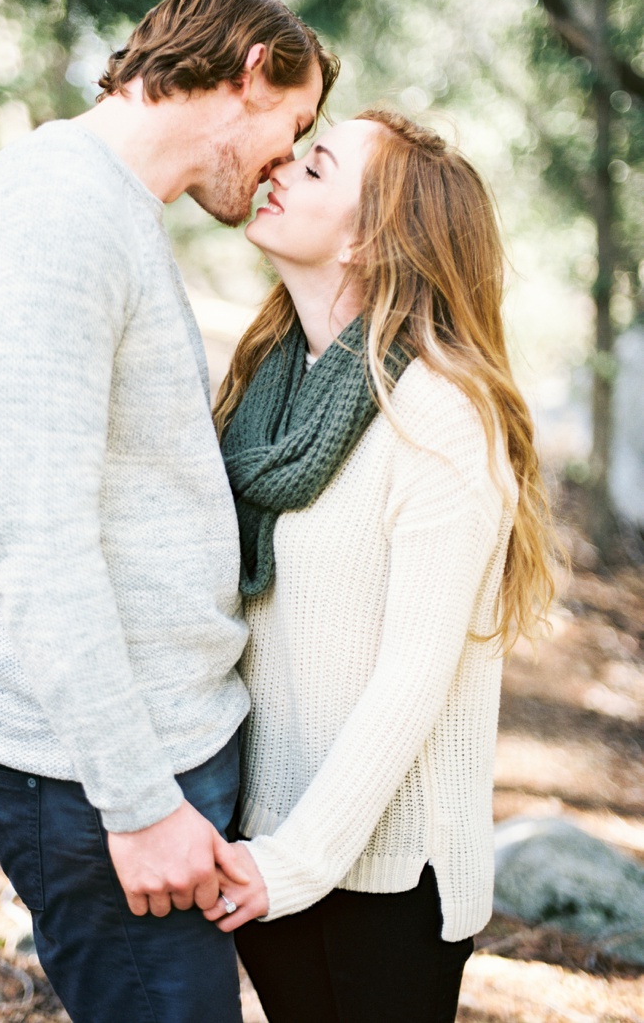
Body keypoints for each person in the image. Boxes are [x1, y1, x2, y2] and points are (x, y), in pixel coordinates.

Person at [0, 0, 338, 1023]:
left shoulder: (108, 205)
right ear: (252, 73)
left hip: (140, 750)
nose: (285, 161)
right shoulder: (57, 218)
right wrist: (139, 801)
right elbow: (35, 543)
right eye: (294, 125)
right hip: (90, 775)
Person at [204, 109, 557, 1022]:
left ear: (367, 240)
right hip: (268, 841)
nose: (279, 169)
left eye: (315, 167)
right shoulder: (266, 388)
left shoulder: (439, 415)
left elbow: (412, 681)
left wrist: (296, 861)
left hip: (389, 875)